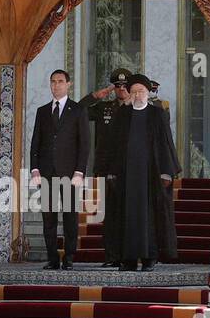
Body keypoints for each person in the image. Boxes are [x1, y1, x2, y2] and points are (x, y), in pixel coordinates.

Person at [109, 75, 180, 271]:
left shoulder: (157, 114)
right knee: (126, 216)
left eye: (141, 91)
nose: (137, 95)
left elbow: (166, 144)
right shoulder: (122, 115)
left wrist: (167, 172)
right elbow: (112, 147)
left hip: (151, 175)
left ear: (148, 93)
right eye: (134, 92)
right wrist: (112, 172)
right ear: (129, 94)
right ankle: (129, 259)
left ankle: (150, 258)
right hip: (126, 176)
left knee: (150, 217)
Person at [29, 69, 89, 270]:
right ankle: (53, 258)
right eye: (53, 81)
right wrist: (35, 168)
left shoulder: (78, 110)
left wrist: (80, 171)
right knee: (49, 218)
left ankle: (69, 257)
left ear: (68, 84)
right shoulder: (42, 111)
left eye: (61, 81)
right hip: (47, 172)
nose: (56, 85)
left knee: (70, 216)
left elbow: (84, 143)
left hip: (70, 173)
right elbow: (35, 142)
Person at [79, 68, 131, 266]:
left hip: (128, 170)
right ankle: (111, 256)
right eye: (117, 87)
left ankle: (128, 256)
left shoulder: (138, 107)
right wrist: (94, 96)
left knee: (127, 214)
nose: (121, 90)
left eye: (125, 86)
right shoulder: (105, 108)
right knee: (108, 216)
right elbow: (77, 110)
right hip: (105, 168)